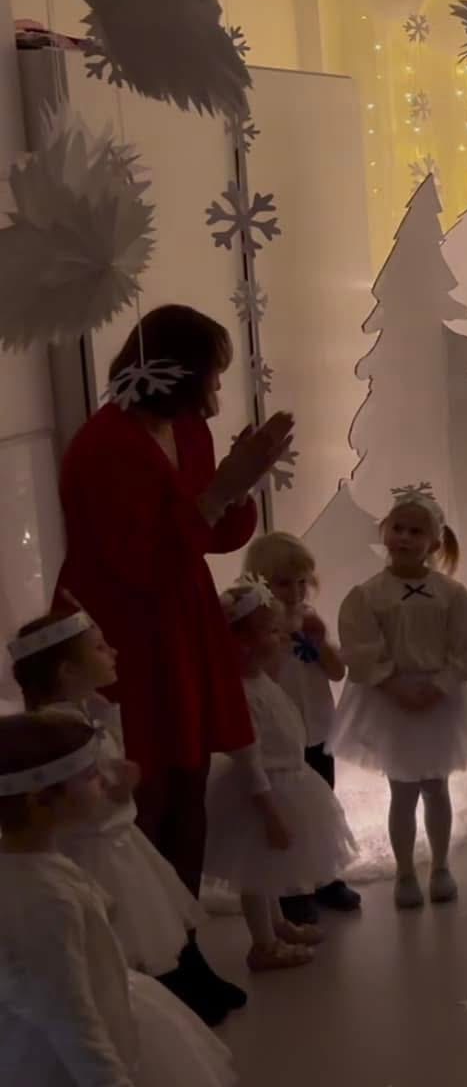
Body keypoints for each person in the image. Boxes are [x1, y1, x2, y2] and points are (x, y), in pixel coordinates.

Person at [55, 307, 292, 899]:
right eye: (212, 377)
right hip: (125, 632)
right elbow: (139, 563)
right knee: (146, 782)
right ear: (180, 375)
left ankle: (184, 929)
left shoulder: (186, 430)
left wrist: (240, 484)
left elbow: (216, 535)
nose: (216, 393)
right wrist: (220, 490)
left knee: (189, 778)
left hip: (182, 619)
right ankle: (155, 935)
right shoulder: (103, 446)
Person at [10, 606, 239, 1026]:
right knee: (124, 937)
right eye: (100, 648)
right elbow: (71, 805)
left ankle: (176, 991)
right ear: (67, 672)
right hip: (98, 855)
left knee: (150, 930)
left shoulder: (81, 715)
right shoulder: (60, 734)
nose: (113, 652)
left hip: (119, 844)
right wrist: (117, 787)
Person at [0, 711, 238, 1087]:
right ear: (39, 801)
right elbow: (69, 1014)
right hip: (72, 1058)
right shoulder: (46, 897)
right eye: (90, 775)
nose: (107, 779)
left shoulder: (34, 861)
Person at [332, 486, 467, 908]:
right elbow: (361, 646)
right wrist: (392, 683)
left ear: (434, 543)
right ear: (385, 531)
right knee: (402, 791)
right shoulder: (368, 594)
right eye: (398, 528)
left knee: (436, 786)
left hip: (439, 699)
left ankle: (440, 866)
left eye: (415, 532)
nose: (404, 537)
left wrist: (440, 685)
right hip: (391, 700)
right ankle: (405, 871)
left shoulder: (451, 594)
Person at [203, 583, 356, 972]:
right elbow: (249, 757)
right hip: (262, 791)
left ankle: (277, 924)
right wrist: (269, 813)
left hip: (287, 780)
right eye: (271, 631)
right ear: (243, 642)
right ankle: (263, 944)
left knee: (267, 869)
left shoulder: (260, 678)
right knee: (256, 873)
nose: (281, 636)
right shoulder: (241, 693)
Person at [242, 532, 360, 924]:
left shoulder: (309, 619)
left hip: (318, 729)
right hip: (280, 739)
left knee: (322, 805)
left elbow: (337, 671)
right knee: (289, 811)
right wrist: (279, 640)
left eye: (301, 582)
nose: (294, 592)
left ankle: (326, 877)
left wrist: (320, 642)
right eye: (283, 584)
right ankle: (291, 889)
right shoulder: (259, 630)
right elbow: (262, 678)